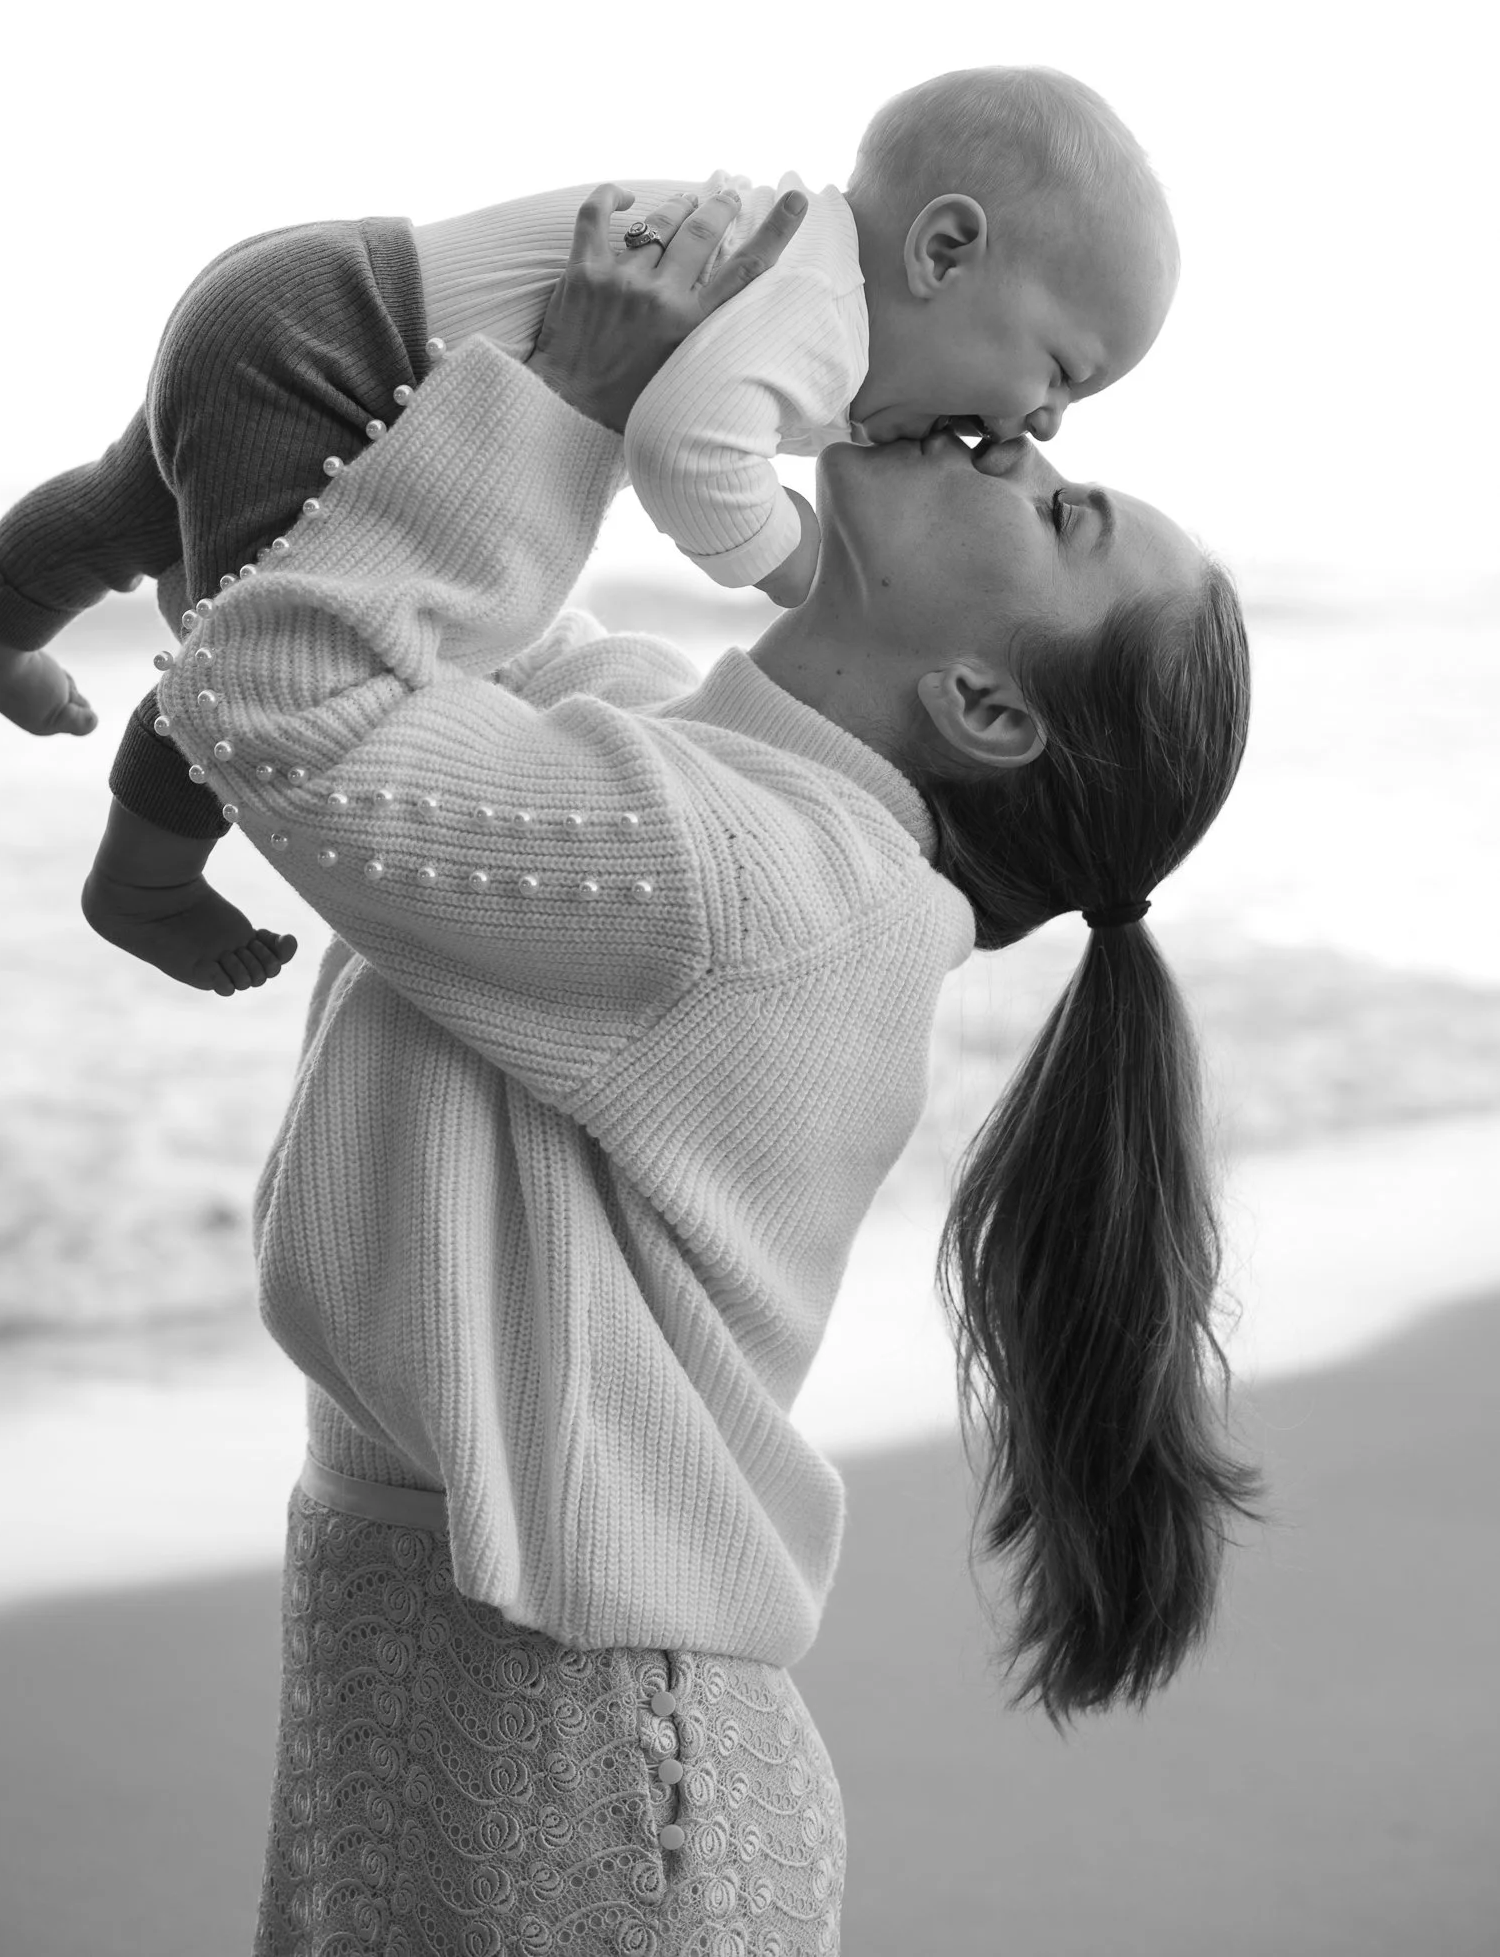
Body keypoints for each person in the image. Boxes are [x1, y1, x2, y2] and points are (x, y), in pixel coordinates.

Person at [146, 187, 1263, 1954]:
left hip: (593, 1784)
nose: (1013, 442)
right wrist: (469, 353)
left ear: (983, 705)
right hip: (471, 1704)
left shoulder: (744, 885)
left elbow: (281, 703)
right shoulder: (706, 781)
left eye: (1060, 508)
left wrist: (573, 402)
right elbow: (348, 602)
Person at [0, 66, 1180, 1001]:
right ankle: (144, 882)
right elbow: (688, 451)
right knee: (245, 637)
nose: (1041, 425)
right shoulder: (818, 316)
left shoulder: (814, 279)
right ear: (943, 250)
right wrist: (796, 562)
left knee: (126, 501)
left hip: (315, 288)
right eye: (1061, 370)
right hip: (344, 359)